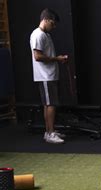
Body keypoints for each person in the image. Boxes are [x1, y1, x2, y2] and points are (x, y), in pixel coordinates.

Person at [30, 8, 68, 144]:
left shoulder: (46, 35)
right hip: (45, 76)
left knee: (48, 104)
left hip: (49, 75)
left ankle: (49, 131)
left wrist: (58, 59)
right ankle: (50, 133)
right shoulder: (38, 35)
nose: (54, 26)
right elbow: (37, 56)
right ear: (45, 20)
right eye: (52, 23)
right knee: (50, 104)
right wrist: (57, 59)